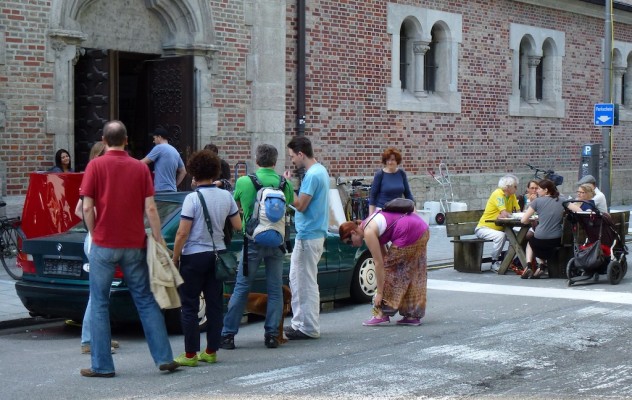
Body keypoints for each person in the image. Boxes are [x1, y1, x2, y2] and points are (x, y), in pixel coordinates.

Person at [80, 120, 178, 377]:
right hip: (134, 243)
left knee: (100, 303)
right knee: (145, 300)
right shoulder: (139, 168)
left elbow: (87, 207)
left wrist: (93, 232)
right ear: (126, 140)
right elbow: (151, 208)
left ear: (103, 140)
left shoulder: (95, 166)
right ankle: (164, 358)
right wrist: (158, 239)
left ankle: (102, 365)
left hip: (103, 242)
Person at [171, 150, 241, 367]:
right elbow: (238, 226)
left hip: (193, 256)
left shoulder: (192, 198)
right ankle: (211, 351)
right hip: (217, 255)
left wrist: (175, 256)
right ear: (214, 171)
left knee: (190, 305)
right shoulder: (226, 196)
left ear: (194, 172)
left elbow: (182, 232)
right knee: (214, 304)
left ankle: (190, 354)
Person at [221, 144, 294, 350]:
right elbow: (288, 205)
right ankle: (272, 335)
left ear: (256, 159)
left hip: (252, 240)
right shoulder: (284, 183)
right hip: (277, 241)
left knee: (242, 287)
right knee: (275, 289)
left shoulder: (245, 181)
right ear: (275, 161)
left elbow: (234, 206)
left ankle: (228, 335)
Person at [338, 210, 430, 326]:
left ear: (353, 232)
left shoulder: (368, 232)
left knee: (391, 272)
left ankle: (382, 313)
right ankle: (412, 315)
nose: (352, 245)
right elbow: (385, 257)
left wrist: (380, 293)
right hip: (422, 229)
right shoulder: (369, 223)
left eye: (349, 242)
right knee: (415, 272)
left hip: (409, 233)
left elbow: (379, 264)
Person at [73, 142, 119, 355]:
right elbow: (81, 210)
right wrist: (98, 223)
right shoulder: (97, 177)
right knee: (99, 294)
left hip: (96, 238)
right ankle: (89, 340)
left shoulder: (96, 176)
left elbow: (78, 210)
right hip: (98, 239)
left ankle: (99, 337)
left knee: (101, 293)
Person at [282, 136, 329, 340]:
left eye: (293, 156)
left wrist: (286, 186)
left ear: (301, 154)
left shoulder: (312, 175)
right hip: (314, 233)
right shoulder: (321, 171)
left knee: (302, 282)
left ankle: (306, 326)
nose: (292, 160)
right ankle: (304, 323)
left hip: (308, 235)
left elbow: (301, 205)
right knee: (303, 280)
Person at [520, 179, 566, 279]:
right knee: (538, 242)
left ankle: (528, 265)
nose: (537, 191)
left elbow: (523, 220)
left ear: (546, 190)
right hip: (556, 239)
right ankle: (540, 266)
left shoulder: (537, 201)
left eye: (539, 189)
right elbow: (578, 210)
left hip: (540, 238)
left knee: (531, 242)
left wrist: (530, 221)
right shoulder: (562, 200)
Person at [475, 174, 520, 272]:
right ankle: (494, 262)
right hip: (484, 228)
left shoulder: (512, 196)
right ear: (508, 187)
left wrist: (510, 214)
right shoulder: (498, 194)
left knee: (518, 236)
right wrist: (510, 214)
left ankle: (507, 261)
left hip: (500, 228)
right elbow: (505, 214)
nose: (517, 189)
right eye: (515, 186)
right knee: (500, 236)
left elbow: (518, 212)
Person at [368, 147, 414, 215]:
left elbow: (408, 195)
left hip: (399, 210)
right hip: (382, 211)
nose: (390, 162)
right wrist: (370, 216)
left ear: (397, 161)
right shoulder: (380, 174)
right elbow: (373, 197)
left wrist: (414, 211)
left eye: (392, 160)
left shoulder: (401, 173)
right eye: (388, 160)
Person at [141, 127, 187, 192]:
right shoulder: (175, 151)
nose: (153, 141)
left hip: (161, 191)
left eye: (154, 138)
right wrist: (174, 185)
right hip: (173, 191)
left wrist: (129, 162)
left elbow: (143, 162)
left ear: (159, 137)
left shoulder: (159, 148)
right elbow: (183, 171)